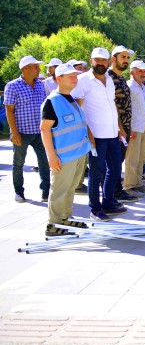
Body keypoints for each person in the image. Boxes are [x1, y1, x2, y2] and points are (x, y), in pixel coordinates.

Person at [71, 48, 127, 221]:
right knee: (96, 173)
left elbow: (112, 105)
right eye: (97, 60)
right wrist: (88, 133)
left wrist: (120, 128)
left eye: (104, 60)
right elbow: (77, 109)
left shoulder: (109, 79)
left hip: (113, 133)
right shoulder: (83, 81)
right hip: (96, 136)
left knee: (115, 169)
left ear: (108, 62)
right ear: (91, 61)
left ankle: (108, 202)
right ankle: (95, 208)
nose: (101, 63)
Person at [40, 63, 93, 236]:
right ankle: (53, 224)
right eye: (70, 76)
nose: (74, 78)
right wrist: (51, 156)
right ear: (58, 79)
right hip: (63, 157)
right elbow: (44, 129)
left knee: (70, 188)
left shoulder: (71, 99)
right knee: (60, 190)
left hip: (78, 154)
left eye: (75, 76)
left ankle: (65, 218)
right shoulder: (52, 102)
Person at [4, 55, 50, 203]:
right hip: (21, 132)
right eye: (35, 66)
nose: (38, 69)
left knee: (44, 162)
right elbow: (9, 110)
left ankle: (46, 192)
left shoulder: (41, 85)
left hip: (40, 132)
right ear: (25, 69)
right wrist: (14, 132)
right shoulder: (12, 86)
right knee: (18, 163)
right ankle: (19, 192)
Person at [108, 45, 138, 203]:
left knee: (118, 161)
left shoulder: (121, 78)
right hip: (115, 128)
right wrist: (120, 128)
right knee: (113, 162)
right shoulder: (109, 78)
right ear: (114, 59)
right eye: (123, 57)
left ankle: (117, 190)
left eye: (127, 58)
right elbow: (113, 105)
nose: (126, 60)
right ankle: (112, 193)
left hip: (125, 127)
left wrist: (128, 127)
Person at [124, 60, 145, 196]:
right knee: (132, 159)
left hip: (142, 126)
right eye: (140, 71)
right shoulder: (129, 86)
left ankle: (138, 183)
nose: (143, 74)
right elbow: (125, 109)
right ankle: (129, 186)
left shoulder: (142, 86)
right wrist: (128, 129)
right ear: (132, 73)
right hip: (133, 128)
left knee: (142, 157)